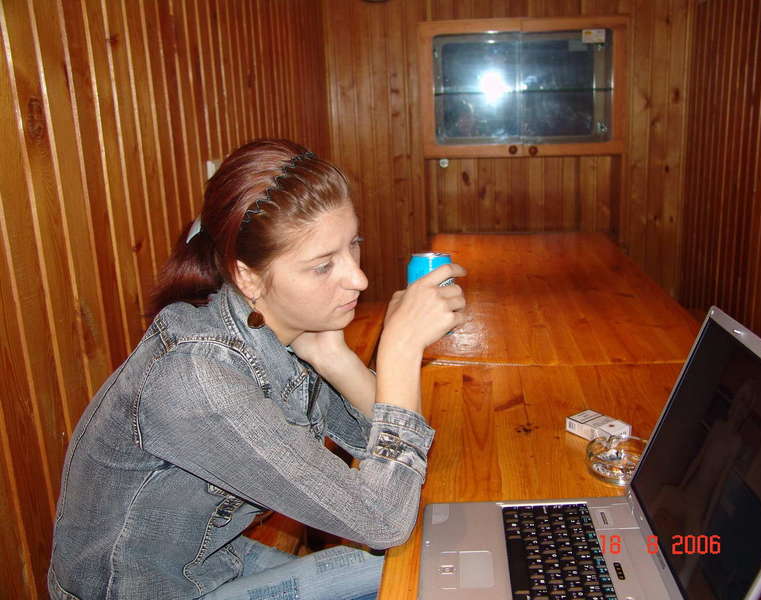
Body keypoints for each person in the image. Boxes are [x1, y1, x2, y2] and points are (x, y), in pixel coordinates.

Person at [48, 139, 467, 600]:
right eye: (323, 266)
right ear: (247, 275)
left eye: (354, 245)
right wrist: (400, 350)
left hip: (210, 562)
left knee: (440, 568)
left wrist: (337, 359)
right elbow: (383, 518)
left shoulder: (279, 326)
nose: (359, 278)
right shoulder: (196, 379)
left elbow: (391, 453)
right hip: (153, 590)